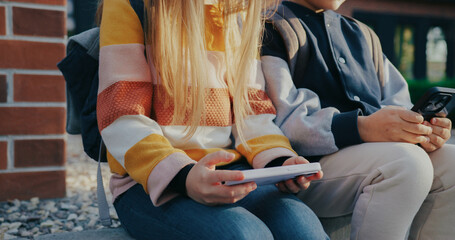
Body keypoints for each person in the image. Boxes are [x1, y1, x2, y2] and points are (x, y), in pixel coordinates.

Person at [96, 0, 329, 239]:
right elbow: (123, 116)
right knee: (244, 234)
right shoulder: (130, 5)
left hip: (232, 173)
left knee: (301, 226)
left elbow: (251, 113)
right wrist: (184, 177)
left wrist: (278, 162)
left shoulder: (237, 10)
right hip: (151, 182)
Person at [261, 0, 455, 239]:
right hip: (306, 170)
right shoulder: (268, 26)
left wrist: (419, 129)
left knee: (452, 162)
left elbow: (398, 102)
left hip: (375, 157)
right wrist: (362, 128)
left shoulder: (364, 34)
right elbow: (285, 122)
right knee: (406, 163)